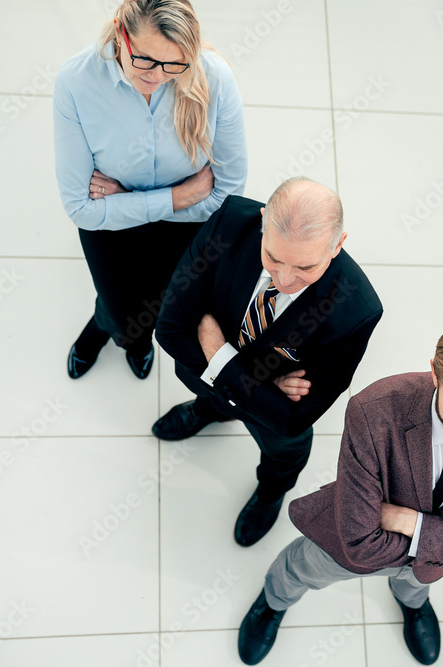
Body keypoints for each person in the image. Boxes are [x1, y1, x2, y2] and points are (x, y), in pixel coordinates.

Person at [237, 320, 443, 665]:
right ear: (434, 373)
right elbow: (359, 544)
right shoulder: (373, 411)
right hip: (347, 545)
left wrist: (414, 523)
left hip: (432, 562)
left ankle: (413, 604)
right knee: (302, 568)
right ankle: (274, 601)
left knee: (416, 583)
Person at [154, 177, 383, 546]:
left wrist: (220, 356)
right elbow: (169, 330)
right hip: (223, 384)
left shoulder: (357, 310)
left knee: (282, 457)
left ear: (337, 245)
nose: (285, 278)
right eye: (273, 257)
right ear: (262, 222)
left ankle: (269, 495)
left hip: (269, 420)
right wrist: (262, 384)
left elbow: (294, 418)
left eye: (306, 268)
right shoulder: (229, 222)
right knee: (215, 398)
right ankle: (209, 411)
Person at [53, 0, 247, 380]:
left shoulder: (215, 77)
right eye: (144, 60)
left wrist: (126, 196)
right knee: (123, 313)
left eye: (174, 64)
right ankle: (113, 331)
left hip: (176, 225)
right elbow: (79, 207)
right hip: (115, 226)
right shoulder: (76, 82)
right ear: (118, 31)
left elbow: (226, 198)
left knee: (153, 312)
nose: (158, 76)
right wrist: (179, 196)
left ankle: (119, 333)